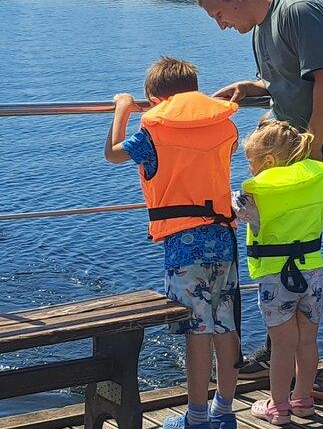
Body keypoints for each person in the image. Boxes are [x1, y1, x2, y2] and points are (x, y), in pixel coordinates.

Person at [199, 0, 323, 399]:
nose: (221, 26)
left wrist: (313, 147)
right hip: (302, 165)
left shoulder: (298, 10)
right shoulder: (261, 28)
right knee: (290, 249)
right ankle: (280, 345)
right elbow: (290, 80)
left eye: (218, 14)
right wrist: (255, 87)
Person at [104, 57, 242, 429]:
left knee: (197, 330)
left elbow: (113, 152)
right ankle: (224, 413)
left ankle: (196, 418)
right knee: (224, 324)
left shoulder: (153, 131)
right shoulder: (225, 125)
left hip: (185, 246)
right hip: (223, 239)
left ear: (155, 100)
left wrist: (123, 108)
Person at [233, 120, 323, 425]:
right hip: (312, 272)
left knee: (282, 345)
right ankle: (302, 400)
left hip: (276, 278)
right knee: (308, 341)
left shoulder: (255, 195)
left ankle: (278, 407)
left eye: (251, 162)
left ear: (269, 161)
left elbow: (236, 212)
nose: (250, 169)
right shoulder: (320, 183)